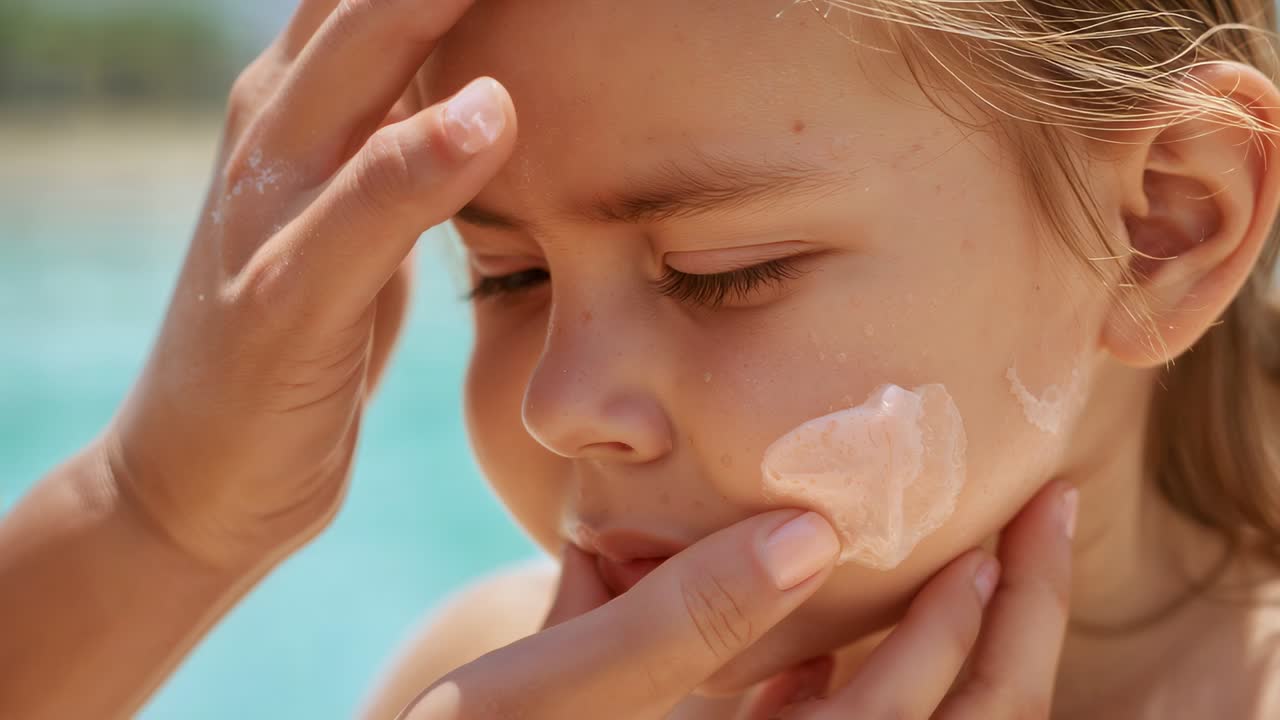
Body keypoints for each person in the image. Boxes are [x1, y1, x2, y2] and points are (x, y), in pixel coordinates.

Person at [0, 1, 1273, 719]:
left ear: (1159, 229)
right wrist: (157, 510)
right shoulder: (494, 681)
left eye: (720, 270)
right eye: (504, 278)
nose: (559, 408)